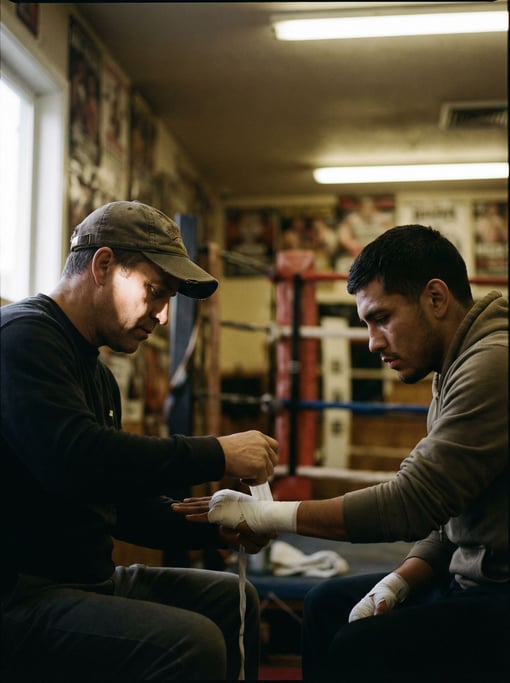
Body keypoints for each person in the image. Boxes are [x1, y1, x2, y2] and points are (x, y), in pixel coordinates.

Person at [173, 224, 509, 682]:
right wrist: (400, 581)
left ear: (436, 298)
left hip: (498, 594)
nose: (372, 343)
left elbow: (412, 503)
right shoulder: (452, 366)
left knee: (358, 646)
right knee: (327, 604)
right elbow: (447, 515)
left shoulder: (493, 365)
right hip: (471, 582)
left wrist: (267, 516)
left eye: (382, 318)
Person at [0, 200, 279, 681]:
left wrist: (215, 525)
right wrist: (217, 452)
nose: (163, 316)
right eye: (155, 291)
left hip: (87, 582)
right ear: (103, 265)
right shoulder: (23, 338)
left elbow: (117, 504)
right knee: (193, 644)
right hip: (22, 595)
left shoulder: (98, 376)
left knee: (234, 602)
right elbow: (77, 460)